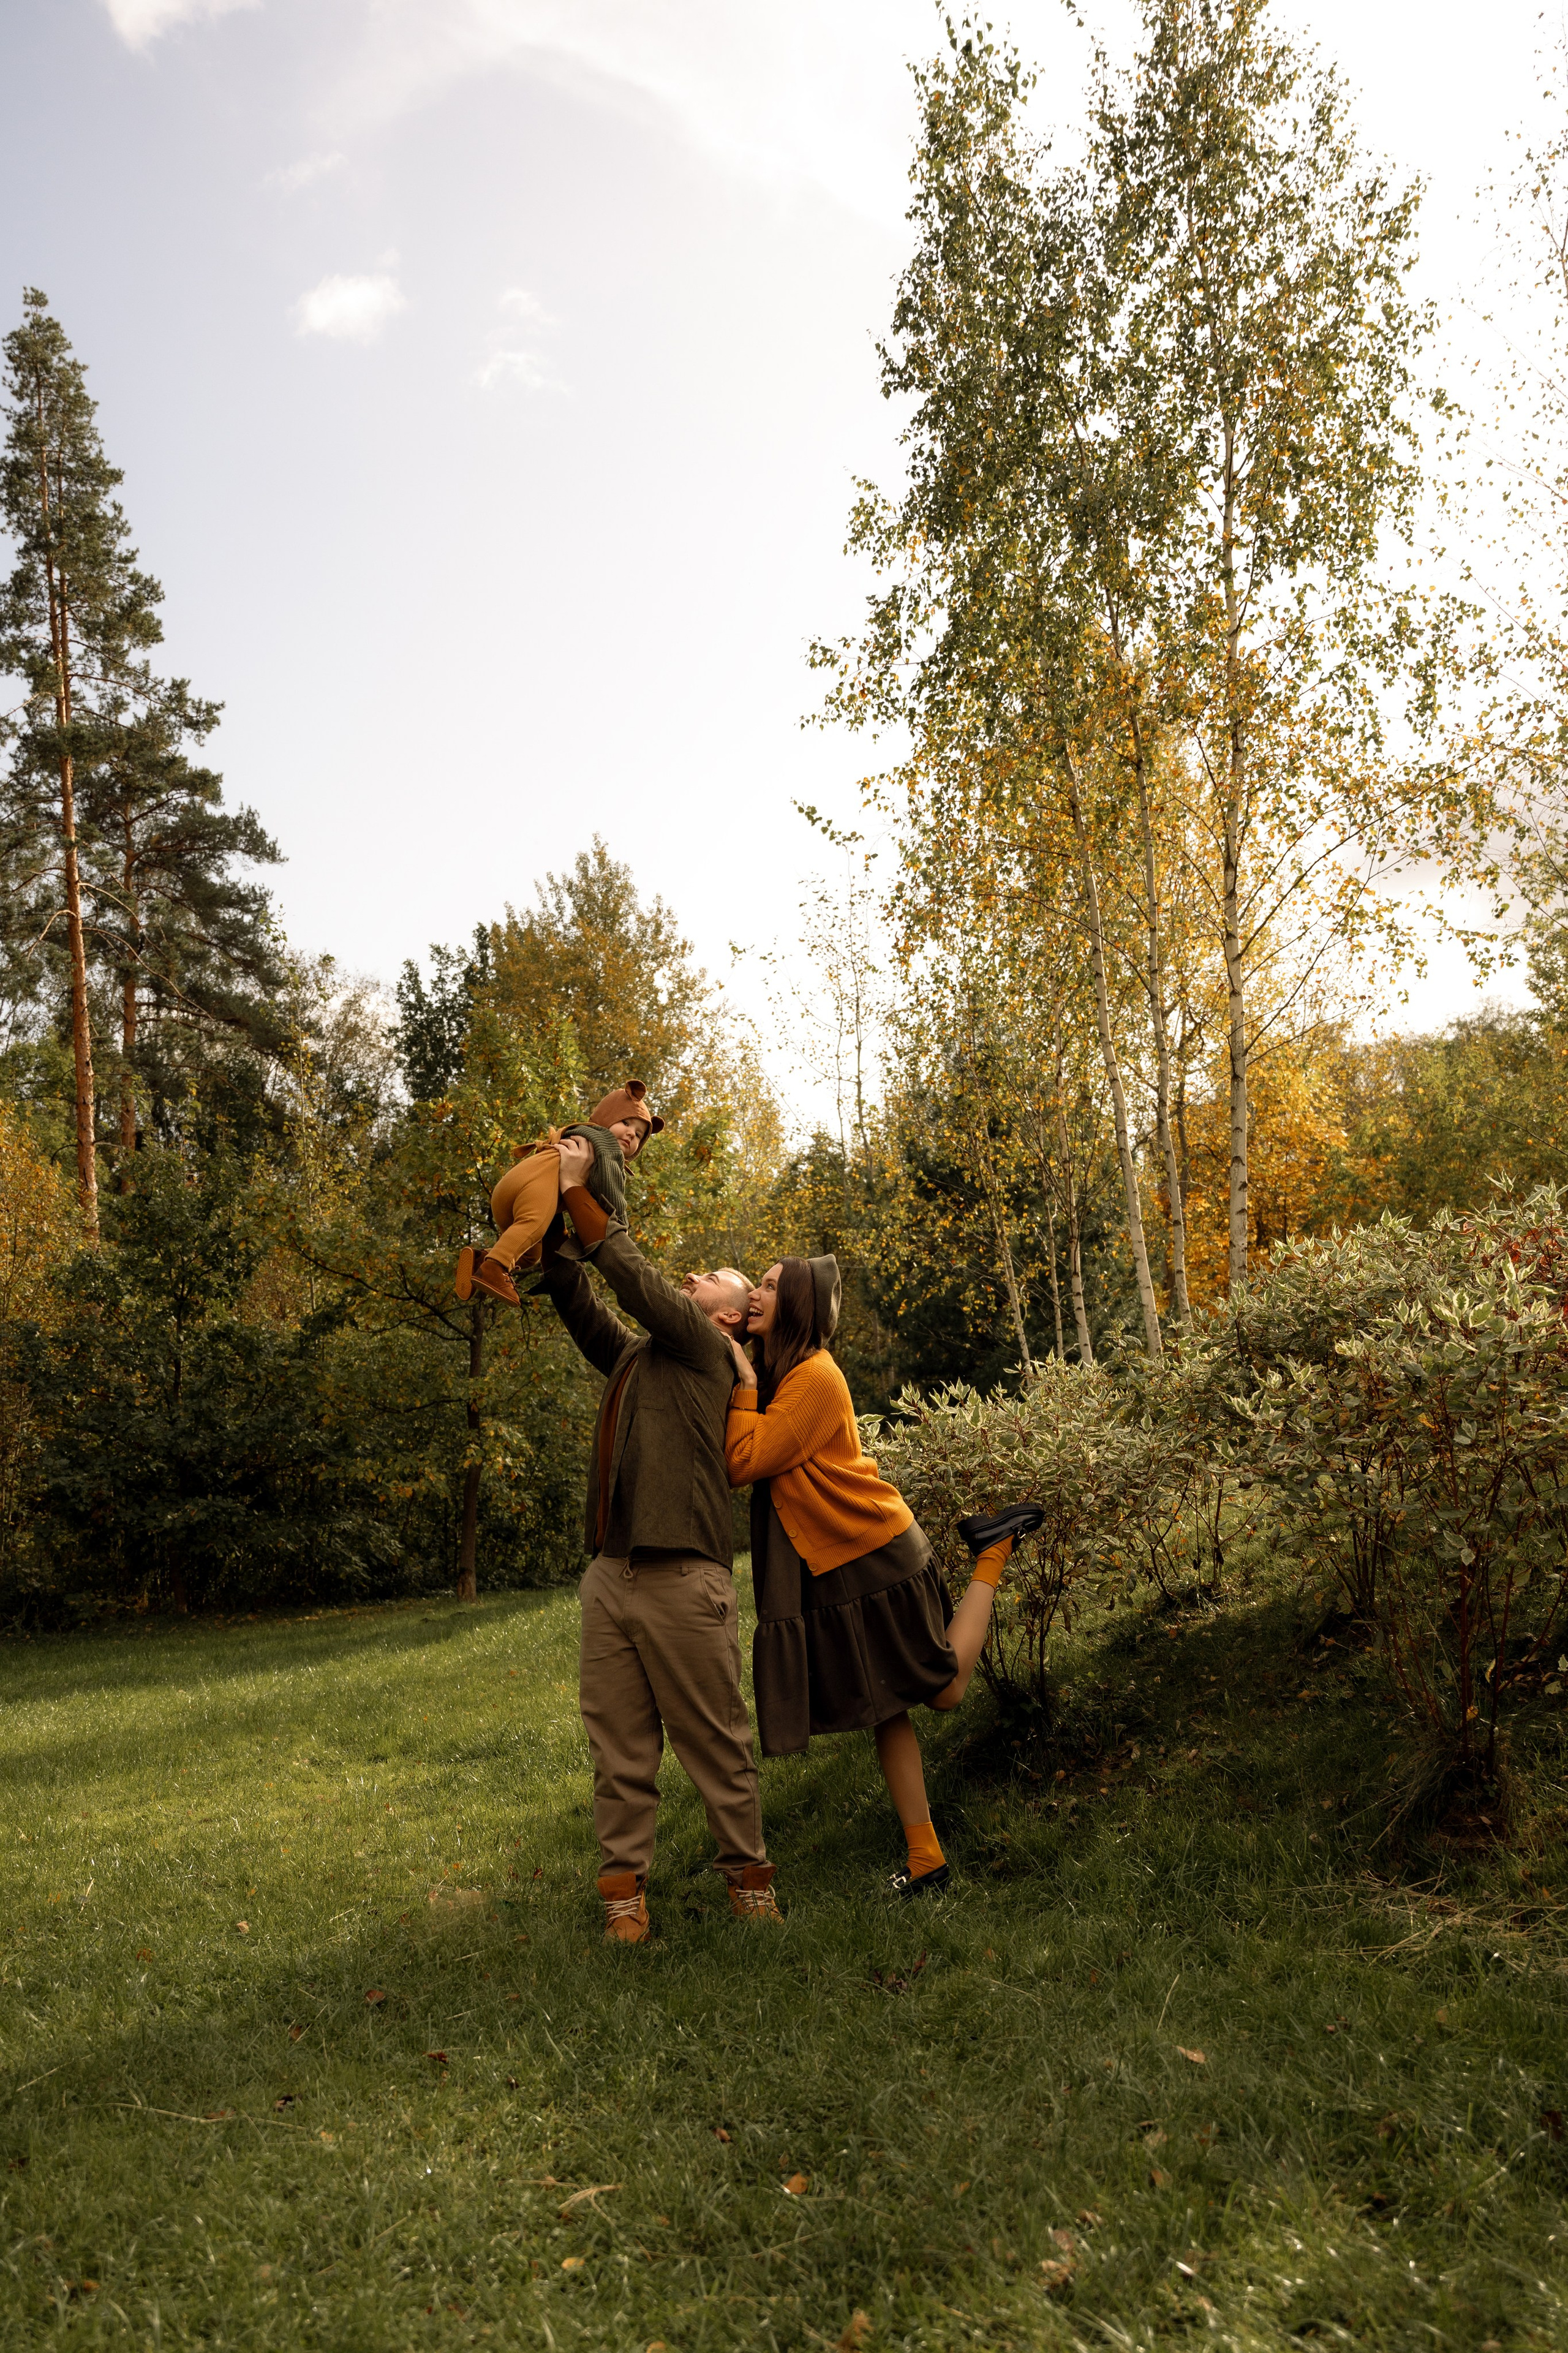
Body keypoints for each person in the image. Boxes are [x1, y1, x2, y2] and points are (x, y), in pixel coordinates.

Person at [724, 1255, 1042, 1898]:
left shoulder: (813, 1376)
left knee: (945, 1691)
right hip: (835, 1562)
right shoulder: (779, 1370)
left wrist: (741, 1383)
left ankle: (994, 1549)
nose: (755, 1293)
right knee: (885, 1707)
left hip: (875, 1550)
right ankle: (927, 1858)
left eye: (768, 1285)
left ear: (799, 1304)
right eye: (756, 1283)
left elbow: (744, 1459)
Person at [532, 1129, 782, 1944]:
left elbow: (637, 1283)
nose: (692, 1276)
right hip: (612, 1575)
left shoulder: (709, 1350)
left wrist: (589, 1194)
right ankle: (624, 1901)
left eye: (709, 1276)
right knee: (619, 1749)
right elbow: (589, 1311)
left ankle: (751, 1887)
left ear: (733, 1313)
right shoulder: (646, 1358)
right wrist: (555, 1240)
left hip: (685, 1578)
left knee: (716, 1744)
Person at [454, 1079, 665, 1310]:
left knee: (530, 1255)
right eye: (626, 1122)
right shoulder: (604, 1142)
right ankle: (494, 1267)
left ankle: (481, 1259)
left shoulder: (582, 1135)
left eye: (639, 1134)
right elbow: (610, 1187)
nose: (631, 1135)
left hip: (511, 1190)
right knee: (533, 1224)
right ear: (607, 1116)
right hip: (534, 1185)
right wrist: (620, 1224)